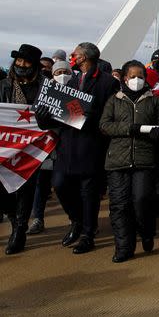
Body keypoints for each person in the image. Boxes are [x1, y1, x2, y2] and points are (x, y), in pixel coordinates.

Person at [41, 42, 119, 255]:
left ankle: (87, 233)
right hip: (67, 145)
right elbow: (58, 113)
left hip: (91, 145)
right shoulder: (70, 80)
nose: (72, 55)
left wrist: (90, 117)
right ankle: (76, 220)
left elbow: (109, 114)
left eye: (76, 53)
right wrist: (44, 119)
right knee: (60, 184)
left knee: (89, 193)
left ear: (84, 57)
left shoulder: (108, 83)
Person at [99, 60, 159, 262]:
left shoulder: (153, 101)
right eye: (132, 76)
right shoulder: (114, 100)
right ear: (125, 78)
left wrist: (157, 133)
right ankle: (123, 247)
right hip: (117, 160)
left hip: (144, 160)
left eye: (140, 76)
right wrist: (129, 128)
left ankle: (146, 233)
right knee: (119, 205)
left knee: (142, 200)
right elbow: (104, 125)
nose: (136, 80)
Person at [1, 44, 45, 254]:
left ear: (34, 65)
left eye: (26, 62)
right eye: (18, 61)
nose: (21, 65)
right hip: (6, 145)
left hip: (33, 147)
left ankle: (19, 229)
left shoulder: (46, 88)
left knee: (26, 189)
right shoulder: (4, 86)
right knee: (3, 189)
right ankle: (12, 216)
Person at [28, 60, 74, 236]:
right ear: (52, 76)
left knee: (63, 184)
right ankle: (38, 218)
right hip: (46, 145)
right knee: (41, 183)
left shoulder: (78, 92)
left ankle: (73, 218)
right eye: (57, 72)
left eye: (65, 71)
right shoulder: (44, 92)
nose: (62, 75)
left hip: (66, 146)